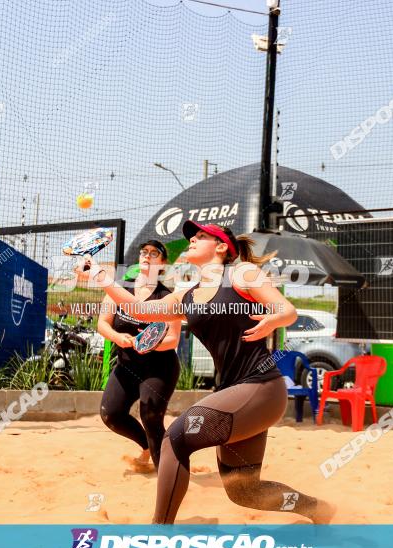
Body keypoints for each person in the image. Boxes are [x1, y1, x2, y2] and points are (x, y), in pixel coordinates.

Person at [77, 222, 335, 524]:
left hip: (261, 387)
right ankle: (317, 508)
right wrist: (100, 276)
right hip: (238, 396)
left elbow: (288, 311)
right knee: (244, 491)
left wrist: (273, 320)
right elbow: (140, 310)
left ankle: (160, 531)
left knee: (173, 440)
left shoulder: (241, 274)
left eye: (200, 236)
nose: (192, 240)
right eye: (192, 236)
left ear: (222, 247)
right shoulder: (188, 293)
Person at [97, 240, 181, 473]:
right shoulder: (121, 289)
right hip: (127, 365)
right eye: (144, 252)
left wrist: (148, 345)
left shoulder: (167, 297)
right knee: (110, 414)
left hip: (159, 367)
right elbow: (102, 324)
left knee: (150, 415)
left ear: (162, 264)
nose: (147, 255)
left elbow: (173, 339)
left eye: (155, 253)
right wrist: (117, 337)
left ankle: (167, 473)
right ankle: (147, 447)